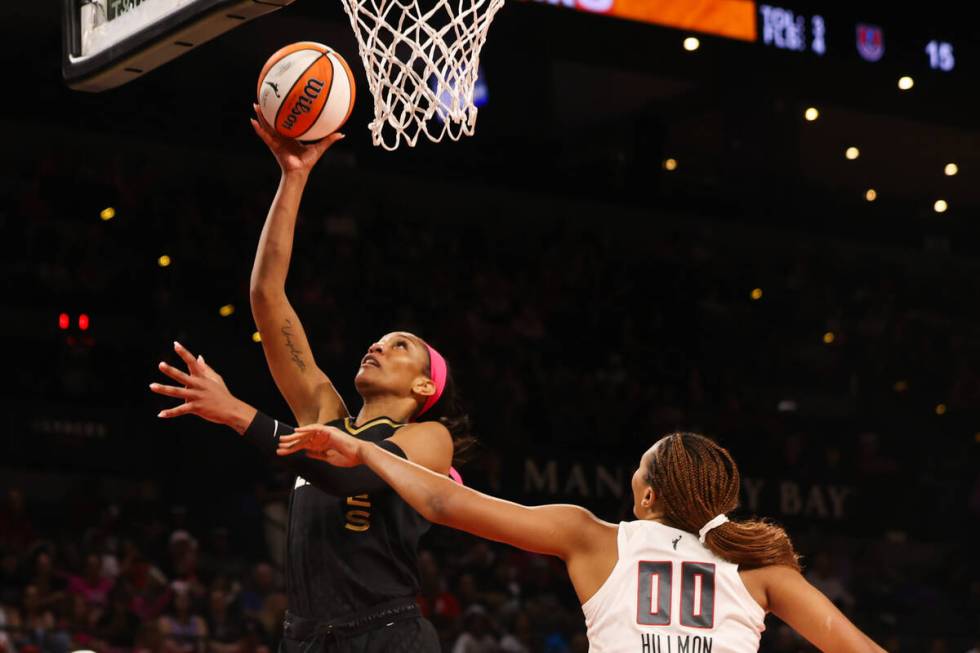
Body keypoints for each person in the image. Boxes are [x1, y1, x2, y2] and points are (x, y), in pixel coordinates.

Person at [150, 109, 470, 653]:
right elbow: (267, 297)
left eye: (400, 347)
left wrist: (237, 413)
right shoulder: (325, 411)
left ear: (424, 388)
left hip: (385, 633)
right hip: (305, 637)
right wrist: (293, 178)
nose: (378, 345)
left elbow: (345, 477)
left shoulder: (429, 439)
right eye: (380, 338)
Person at [276, 426, 888, 653]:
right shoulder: (761, 570)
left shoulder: (593, 537)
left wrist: (362, 452)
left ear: (647, 497)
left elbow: (442, 500)